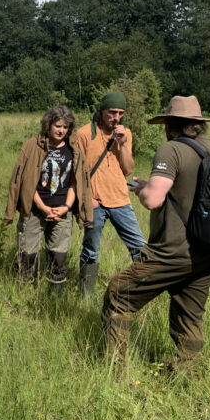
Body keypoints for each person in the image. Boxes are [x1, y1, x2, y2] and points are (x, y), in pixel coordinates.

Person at [102, 95, 210, 369]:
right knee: (189, 314)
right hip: (208, 251)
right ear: (197, 124)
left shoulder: (170, 149)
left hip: (172, 251)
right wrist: (155, 186)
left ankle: (113, 369)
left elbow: (153, 200)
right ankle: (184, 373)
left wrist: (143, 189)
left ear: (170, 124)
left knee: (118, 294)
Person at [3, 105, 92, 290]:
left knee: (58, 258)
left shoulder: (73, 148)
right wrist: (43, 208)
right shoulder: (33, 146)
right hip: (34, 210)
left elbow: (76, 183)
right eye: (58, 125)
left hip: (62, 213)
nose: (61, 130)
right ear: (48, 124)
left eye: (66, 127)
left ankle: (55, 299)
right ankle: (23, 295)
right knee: (27, 256)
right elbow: (26, 182)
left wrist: (66, 207)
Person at [75, 91, 146, 295]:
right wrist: (88, 200)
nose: (116, 118)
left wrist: (122, 144)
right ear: (102, 111)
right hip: (95, 201)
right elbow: (77, 172)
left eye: (120, 113)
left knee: (139, 247)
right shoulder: (84, 134)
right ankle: (85, 294)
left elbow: (128, 169)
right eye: (112, 112)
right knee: (91, 250)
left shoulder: (126, 133)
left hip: (120, 199)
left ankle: (141, 290)